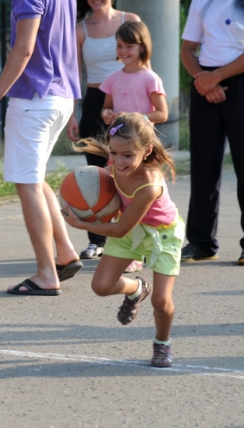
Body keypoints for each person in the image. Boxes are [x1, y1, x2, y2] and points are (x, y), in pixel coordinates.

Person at [0, 0, 83, 296]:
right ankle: (64, 252)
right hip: (61, 97)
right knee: (35, 181)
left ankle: (46, 273)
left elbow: (24, 49)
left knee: (27, 185)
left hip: (34, 99)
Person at [63, 112, 184, 368]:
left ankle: (162, 343)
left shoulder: (149, 185)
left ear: (146, 150)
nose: (119, 161)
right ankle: (137, 289)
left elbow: (118, 230)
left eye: (128, 155)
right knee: (101, 287)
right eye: (114, 153)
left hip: (162, 234)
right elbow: (95, 195)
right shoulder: (112, 169)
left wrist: (80, 223)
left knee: (161, 302)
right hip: (131, 230)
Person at [66, 0, 141, 262]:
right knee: (98, 178)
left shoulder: (130, 20)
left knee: (131, 175)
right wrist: (73, 114)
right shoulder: (80, 30)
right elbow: (74, 74)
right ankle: (97, 239)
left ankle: (137, 237)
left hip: (129, 100)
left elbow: (144, 62)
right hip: (96, 101)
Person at [181, 0, 244, 265]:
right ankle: (201, 242)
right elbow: (187, 48)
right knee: (203, 165)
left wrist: (215, 78)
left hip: (236, 79)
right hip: (205, 82)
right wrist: (202, 79)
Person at [99, 20, 168, 274]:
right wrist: (108, 113)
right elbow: (106, 107)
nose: (124, 50)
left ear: (142, 47)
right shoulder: (112, 78)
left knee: (145, 200)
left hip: (140, 150)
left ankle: (149, 246)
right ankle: (124, 248)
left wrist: (131, 116)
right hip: (119, 150)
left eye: (129, 45)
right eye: (119, 45)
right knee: (117, 198)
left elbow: (162, 112)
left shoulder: (150, 78)